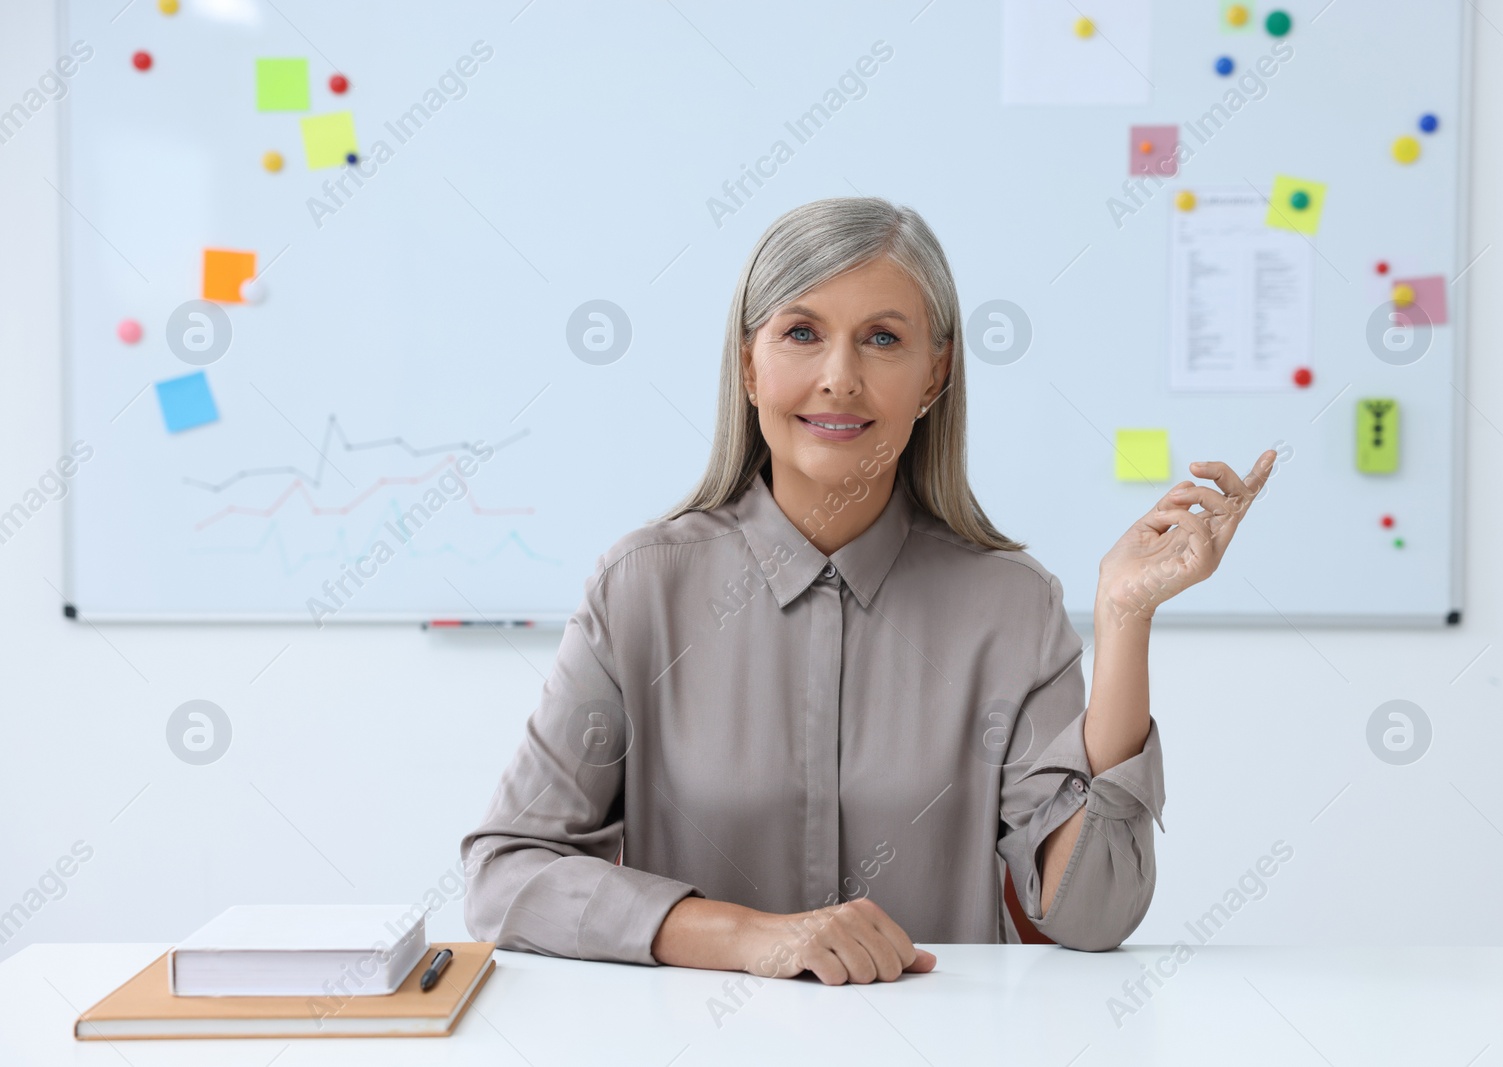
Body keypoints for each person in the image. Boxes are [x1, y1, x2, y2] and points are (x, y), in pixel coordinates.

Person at [460, 196, 1274, 985]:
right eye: (802, 333)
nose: (840, 378)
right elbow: (505, 875)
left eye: (883, 338)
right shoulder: (640, 590)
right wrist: (747, 937)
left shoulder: (1011, 607)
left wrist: (1125, 619)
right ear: (749, 363)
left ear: (934, 374)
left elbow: (1090, 917)